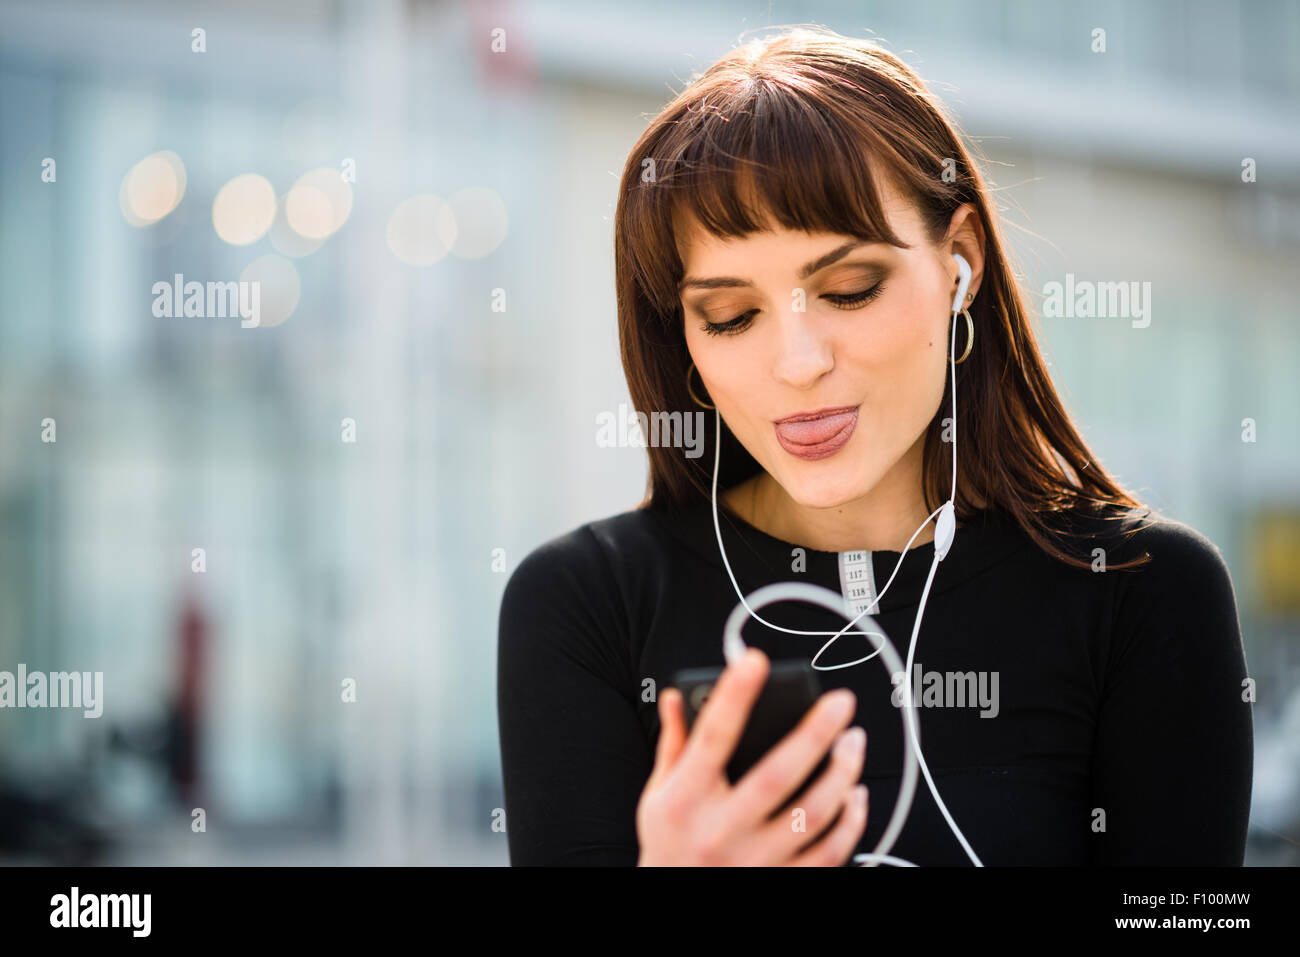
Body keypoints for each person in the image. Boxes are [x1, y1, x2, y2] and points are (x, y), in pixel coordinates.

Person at [496, 26, 1252, 866]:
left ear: (959, 264)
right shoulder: (587, 605)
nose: (799, 363)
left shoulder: (1141, 592)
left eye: (850, 290)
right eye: (730, 316)